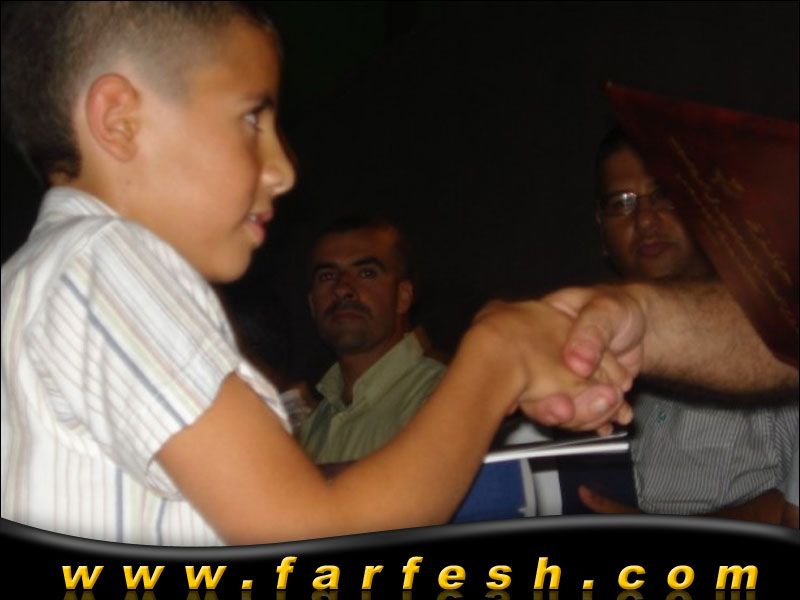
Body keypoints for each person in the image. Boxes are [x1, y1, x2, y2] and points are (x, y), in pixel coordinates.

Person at [0, 2, 631, 546]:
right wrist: (499, 354)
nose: (282, 169)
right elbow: (315, 534)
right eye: (252, 119)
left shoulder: (44, 280)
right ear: (120, 119)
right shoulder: (105, 261)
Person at [573, 129, 798, 520]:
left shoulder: (774, 337)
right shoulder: (582, 348)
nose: (645, 219)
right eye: (621, 203)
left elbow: (789, 509)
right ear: (601, 229)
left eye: (664, 194)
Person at [300, 217, 446, 463]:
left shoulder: (441, 397)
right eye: (327, 276)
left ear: (403, 296)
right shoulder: (314, 425)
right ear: (313, 305)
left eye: (366, 273)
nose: (342, 289)